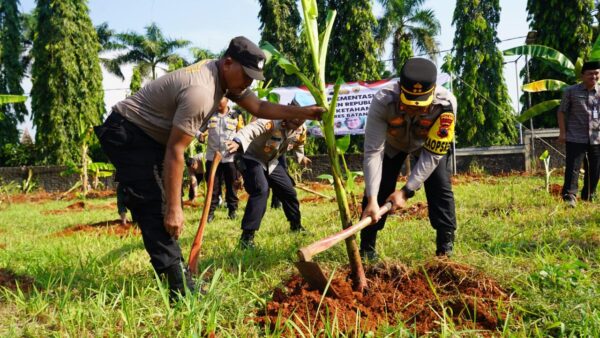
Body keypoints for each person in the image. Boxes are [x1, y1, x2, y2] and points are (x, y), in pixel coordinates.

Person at [94, 36, 323, 301]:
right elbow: (176, 151)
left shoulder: (224, 78)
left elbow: (258, 106)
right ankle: (180, 290)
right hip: (128, 133)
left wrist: (304, 113)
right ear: (228, 63)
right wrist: (174, 209)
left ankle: (177, 272)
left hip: (150, 137)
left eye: (253, 77)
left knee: (162, 198)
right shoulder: (201, 92)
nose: (249, 83)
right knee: (154, 204)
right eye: (247, 75)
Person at [361, 58, 458, 260]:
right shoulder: (383, 100)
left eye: (422, 106)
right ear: (400, 90)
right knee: (379, 190)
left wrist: (406, 191)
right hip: (392, 144)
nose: (416, 110)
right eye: (409, 105)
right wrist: (371, 199)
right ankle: (367, 249)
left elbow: (433, 154)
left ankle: (445, 247)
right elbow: (373, 152)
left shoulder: (446, 104)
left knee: (440, 187)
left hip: (426, 145)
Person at [225, 93, 314, 249]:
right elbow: (253, 128)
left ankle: (296, 226)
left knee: (289, 191)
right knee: (261, 190)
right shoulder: (274, 120)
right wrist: (238, 141)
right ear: (289, 109)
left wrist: (301, 156)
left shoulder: (301, 129)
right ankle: (247, 238)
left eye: (302, 117)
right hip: (250, 157)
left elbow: (299, 143)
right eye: (295, 114)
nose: (297, 120)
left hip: (270, 162)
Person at [558, 60, 600, 207]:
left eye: (596, 73)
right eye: (590, 74)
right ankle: (570, 196)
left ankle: (589, 195)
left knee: (595, 168)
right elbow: (561, 112)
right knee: (573, 167)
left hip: (596, 137)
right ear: (582, 75)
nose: (594, 76)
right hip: (575, 136)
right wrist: (563, 133)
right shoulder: (570, 91)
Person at [198, 97, 242, 221]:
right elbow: (197, 129)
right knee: (213, 186)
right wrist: (199, 136)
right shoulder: (209, 115)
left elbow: (242, 133)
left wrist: (238, 147)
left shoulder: (236, 116)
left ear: (227, 100)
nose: (216, 102)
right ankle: (210, 213)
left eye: (220, 99)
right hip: (212, 158)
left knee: (231, 186)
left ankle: (232, 211)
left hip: (230, 158)